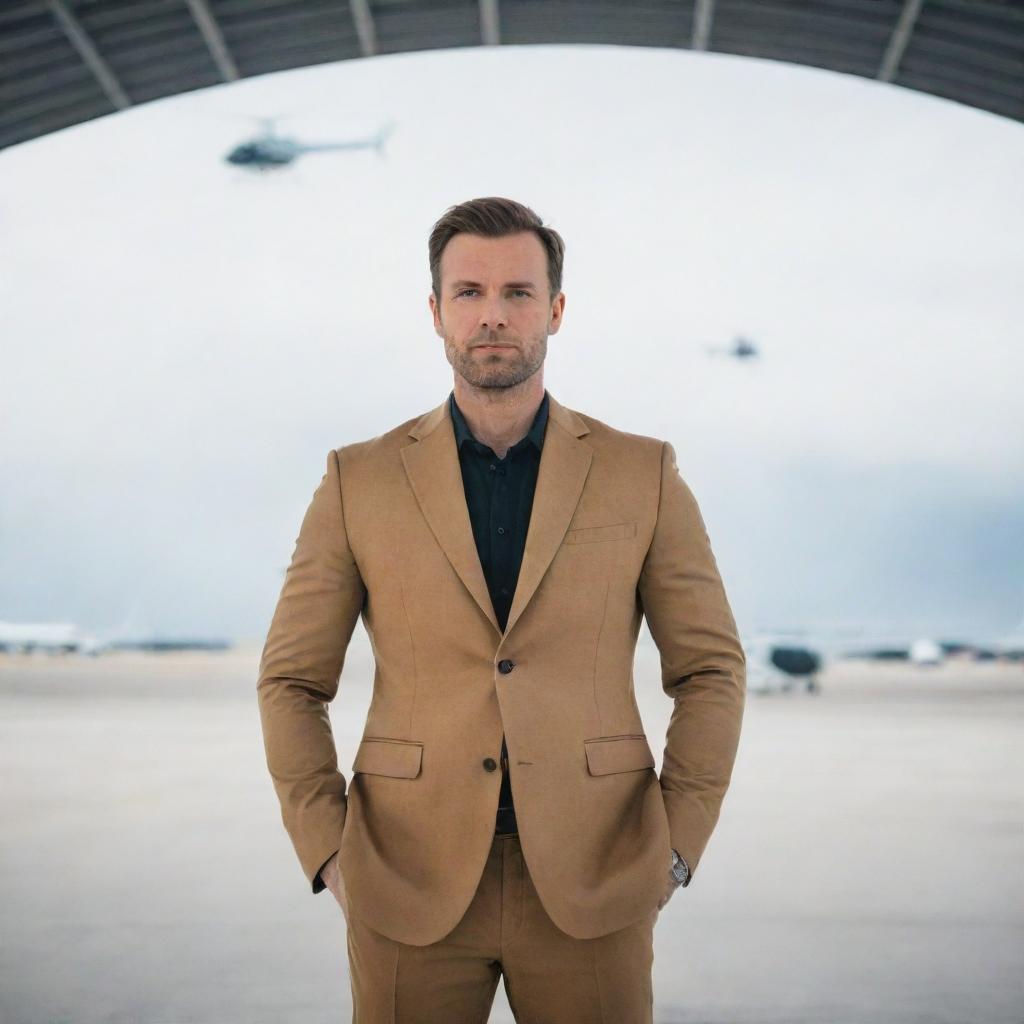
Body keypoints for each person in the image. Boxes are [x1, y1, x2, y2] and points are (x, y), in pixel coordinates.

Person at [256, 196, 746, 1022]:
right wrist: (330, 853)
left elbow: (710, 670)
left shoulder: (643, 473)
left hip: (597, 877)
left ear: (555, 310)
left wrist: (673, 849)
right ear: (436, 312)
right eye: (469, 293)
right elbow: (291, 680)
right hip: (405, 878)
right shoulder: (358, 479)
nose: (493, 315)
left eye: (518, 293)